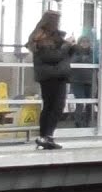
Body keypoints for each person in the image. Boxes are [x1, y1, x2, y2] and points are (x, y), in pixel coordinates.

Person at [26, 10, 74, 150]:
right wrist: (66, 46)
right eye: (57, 21)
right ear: (52, 21)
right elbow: (52, 57)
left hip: (51, 76)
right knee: (56, 107)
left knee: (49, 107)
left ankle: (44, 136)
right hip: (53, 76)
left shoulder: (45, 36)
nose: (59, 24)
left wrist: (70, 46)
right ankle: (47, 136)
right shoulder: (42, 37)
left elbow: (63, 54)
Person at [69, 35, 95, 128]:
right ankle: (78, 123)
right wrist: (80, 57)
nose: (85, 44)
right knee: (80, 102)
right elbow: (72, 62)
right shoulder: (75, 52)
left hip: (89, 81)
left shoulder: (92, 53)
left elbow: (96, 62)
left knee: (89, 103)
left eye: (87, 42)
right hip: (77, 81)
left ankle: (87, 123)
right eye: (83, 42)